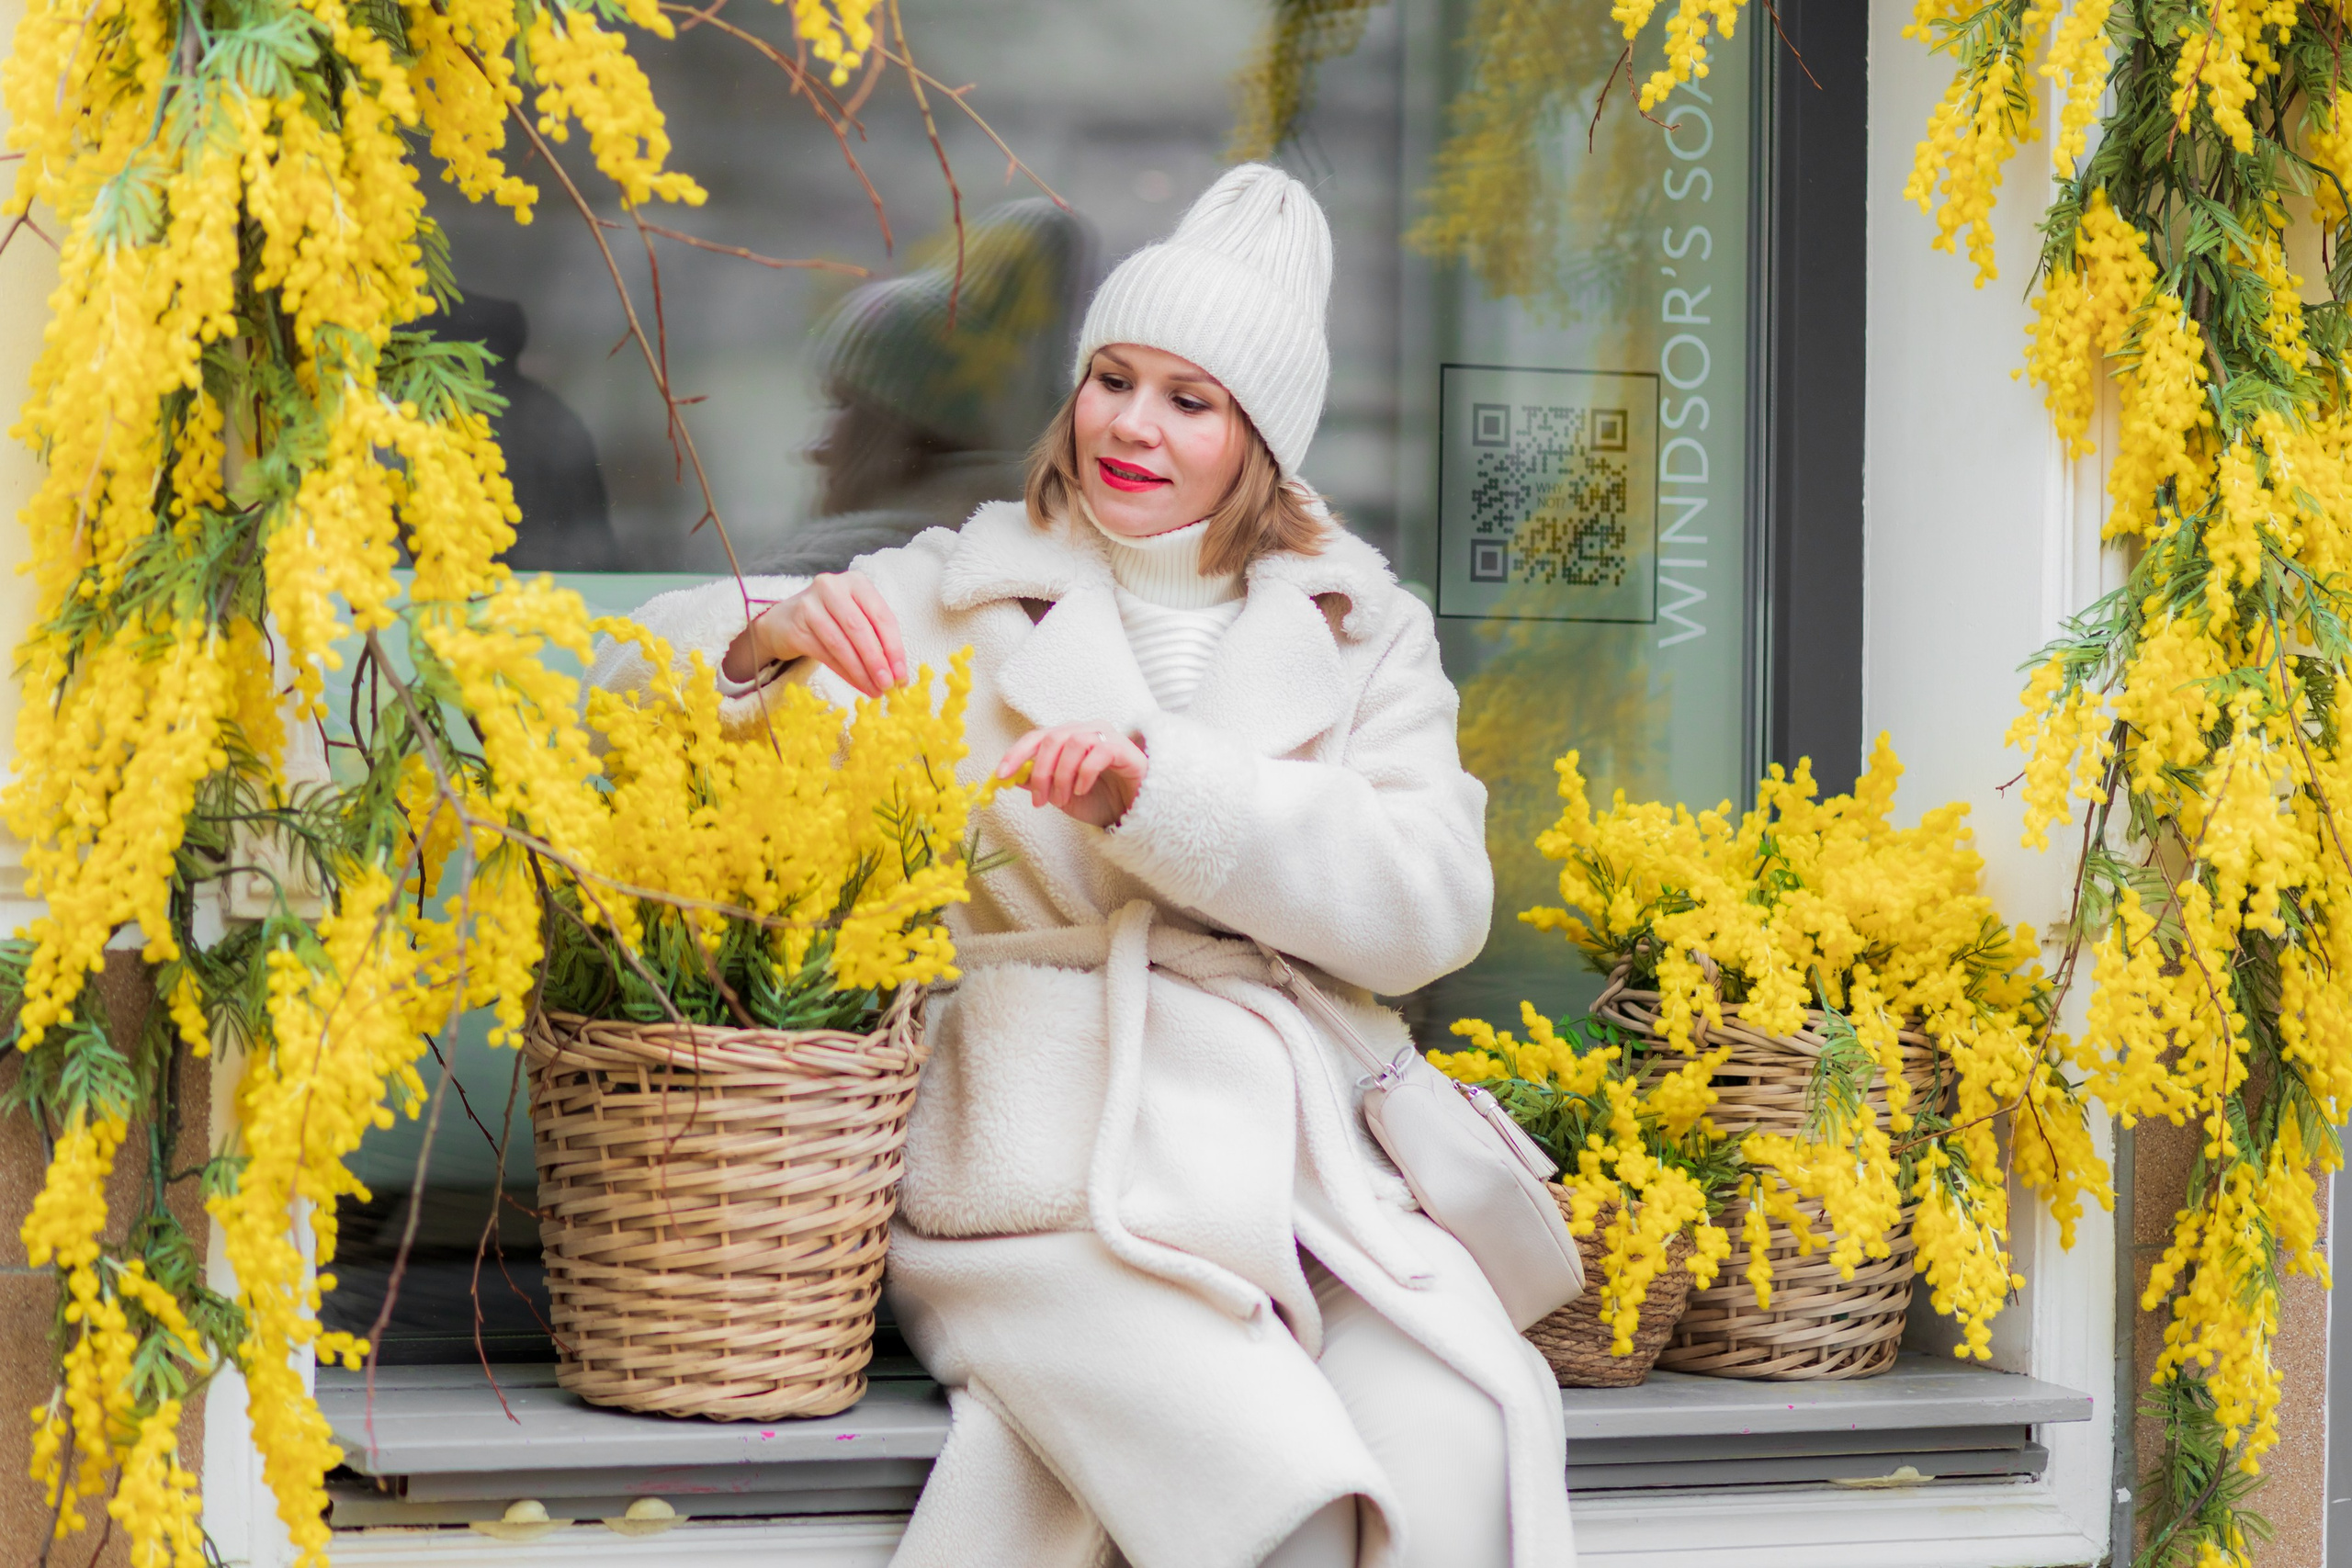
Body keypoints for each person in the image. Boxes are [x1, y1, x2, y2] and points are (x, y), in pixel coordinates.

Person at [593, 164, 1571, 1568]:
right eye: (1112, 377)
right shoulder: (965, 583)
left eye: (1191, 398)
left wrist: (1162, 791)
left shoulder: (1365, 627)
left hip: (1311, 1178)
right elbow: (620, 687)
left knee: (1457, 1448)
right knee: (1283, 1507)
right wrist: (763, 643)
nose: (1131, 423)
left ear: (1259, 440)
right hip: (1044, 1171)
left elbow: (1432, 902)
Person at [756, 197, 1087, 575]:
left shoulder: (836, 573)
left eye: (844, 405)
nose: (815, 449)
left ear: (910, 436)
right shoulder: (1025, 551)